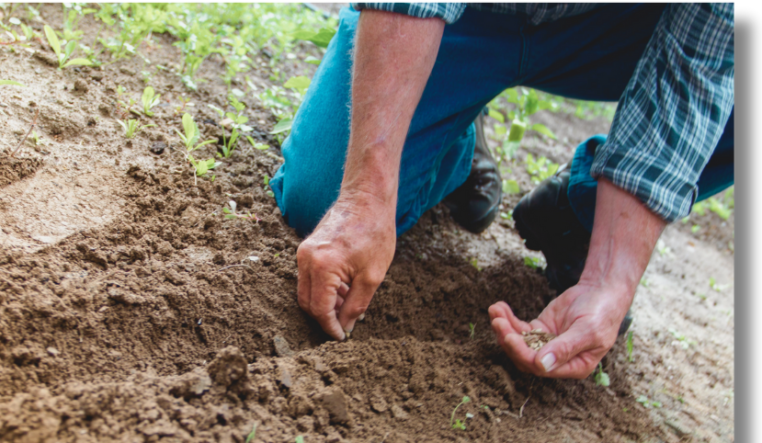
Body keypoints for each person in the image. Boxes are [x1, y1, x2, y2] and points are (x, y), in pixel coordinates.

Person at [269, 3, 734, 379]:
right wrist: (365, 197)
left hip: (617, 27)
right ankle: (455, 137)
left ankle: (584, 214)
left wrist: (609, 279)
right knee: (322, 197)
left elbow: (702, 65)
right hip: (466, 17)